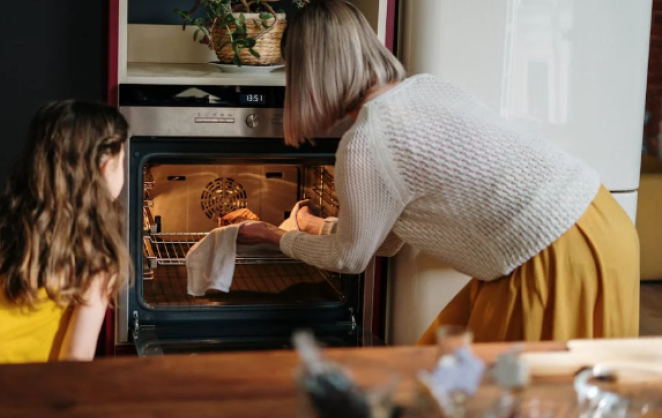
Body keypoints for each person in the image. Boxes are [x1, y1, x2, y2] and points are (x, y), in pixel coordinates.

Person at [238, 0, 639, 344]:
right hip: (601, 222)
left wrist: (275, 236)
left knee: (513, 393)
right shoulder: (428, 88)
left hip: (550, 258)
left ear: (311, 73)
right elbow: (385, 240)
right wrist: (313, 226)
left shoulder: (366, 142)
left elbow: (350, 258)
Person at [0, 100, 131, 412]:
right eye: (123, 158)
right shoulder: (96, 256)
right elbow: (74, 364)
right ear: (105, 166)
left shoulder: (11, 224)